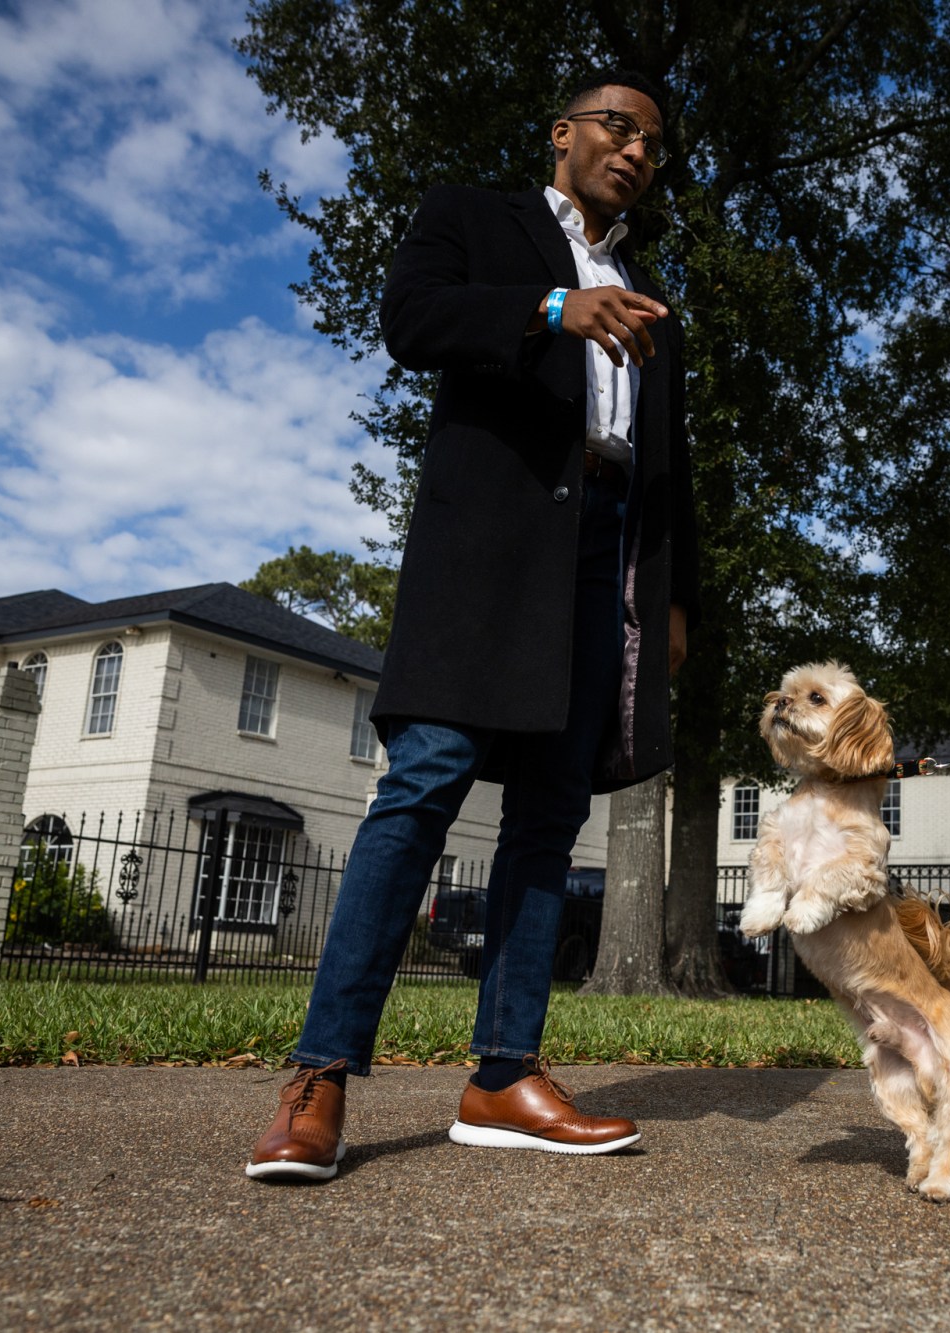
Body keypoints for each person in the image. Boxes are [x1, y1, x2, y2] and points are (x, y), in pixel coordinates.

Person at [245, 68, 701, 1180]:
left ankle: (502, 1072)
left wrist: (675, 598)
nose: (636, 148)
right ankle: (319, 1076)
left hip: (602, 557)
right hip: (486, 550)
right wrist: (551, 308)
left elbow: (669, 465)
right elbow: (411, 321)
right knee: (422, 788)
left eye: (652, 139)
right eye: (616, 126)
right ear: (562, 134)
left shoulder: (649, 297)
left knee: (549, 819)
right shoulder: (469, 217)